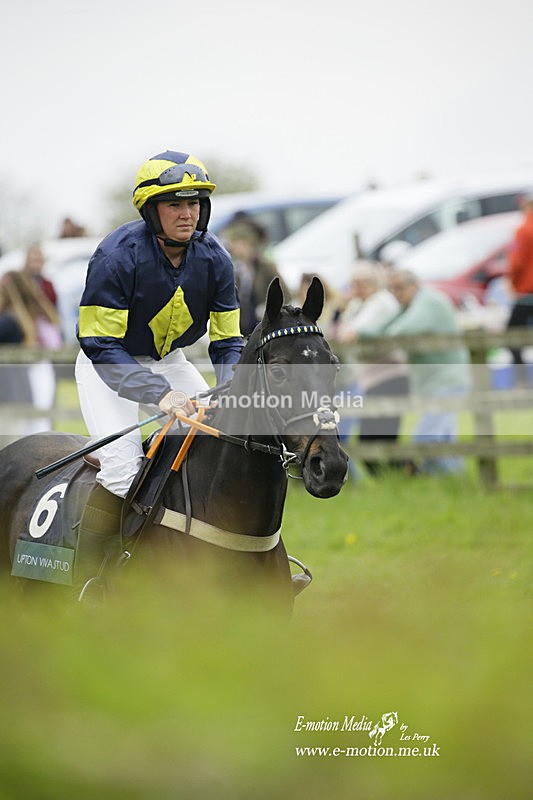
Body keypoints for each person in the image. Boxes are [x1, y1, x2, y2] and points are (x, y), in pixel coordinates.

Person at [74, 150, 244, 584]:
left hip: (171, 362)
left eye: (194, 204)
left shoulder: (216, 259)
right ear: (152, 211)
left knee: (226, 445)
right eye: (175, 204)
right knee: (121, 470)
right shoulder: (115, 256)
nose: (187, 214)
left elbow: (227, 340)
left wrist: (232, 388)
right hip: (108, 365)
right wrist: (159, 395)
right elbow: (99, 342)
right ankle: (92, 576)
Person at [368, 269, 471, 474]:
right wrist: (359, 333)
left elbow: (401, 330)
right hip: (434, 383)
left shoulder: (429, 301)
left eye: (400, 288)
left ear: (414, 285)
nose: (396, 294)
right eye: (392, 289)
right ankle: (457, 483)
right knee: (444, 440)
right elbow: (380, 327)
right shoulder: (411, 304)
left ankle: (444, 479)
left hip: (447, 381)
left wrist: (379, 336)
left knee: (426, 438)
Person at [334, 261, 409, 475]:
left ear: (376, 282)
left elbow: (358, 329)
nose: (359, 287)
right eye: (355, 283)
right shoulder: (358, 304)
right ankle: (400, 479)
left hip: (390, 378)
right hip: (369, 380)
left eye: (364, 282)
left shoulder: (382, 301)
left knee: (377, 439)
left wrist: (348, 329)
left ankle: (410, 475)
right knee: (373, 440)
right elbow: (339, 329)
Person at [0, 270, 62, 435]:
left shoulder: (9, 321)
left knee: (32, 427)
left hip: (26, 375)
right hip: (34, 372)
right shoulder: (31, 316)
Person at [223, 221, 288, 335]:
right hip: (243, 329)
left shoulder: (266, 266)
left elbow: (286, 295)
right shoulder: (235, 268)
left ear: (246, 243)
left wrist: (267, 308)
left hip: (265, 326)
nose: (232, 248)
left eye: (235, 243)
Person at [506, 191, 533, 381]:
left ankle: (522, 380)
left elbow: (516, 262)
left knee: (512, 336)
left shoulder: (523, 229)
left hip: (527, 293)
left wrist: (513, 284)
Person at [21, 244, 58, 308]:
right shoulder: (21, 282)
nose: (36, 265)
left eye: (39, 261)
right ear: (27, 262)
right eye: (33, 261)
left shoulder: (48, 285)